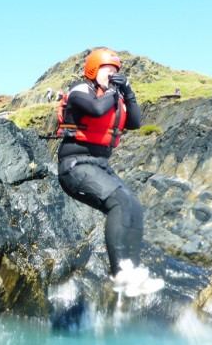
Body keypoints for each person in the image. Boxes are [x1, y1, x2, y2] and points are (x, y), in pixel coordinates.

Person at [57, 48, 164, 296]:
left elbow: (135, 123)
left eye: (116, 72)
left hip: (101, 164)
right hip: (75, 164)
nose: (113, 75)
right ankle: (121, 274)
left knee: (134, 206)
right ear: (93, 71)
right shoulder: (80, 91)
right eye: (108, 70)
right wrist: (115, 91)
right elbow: (95, 110)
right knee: (118, 203)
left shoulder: (116, 96)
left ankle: (133, 273)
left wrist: (128, 92)